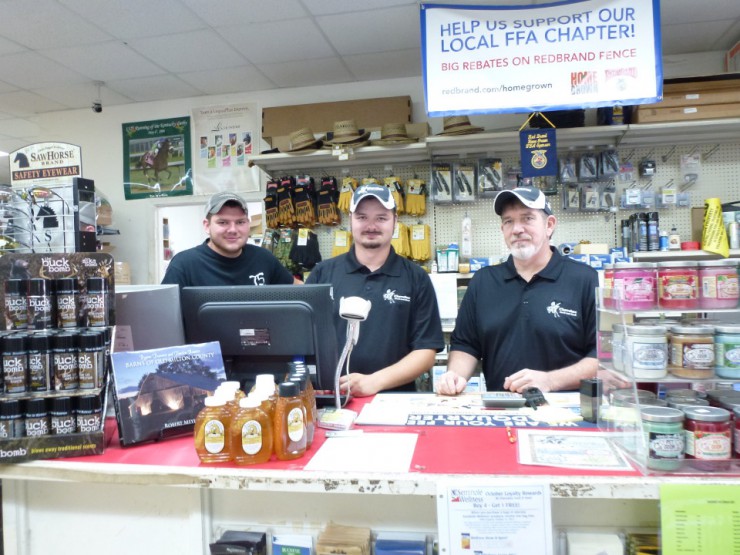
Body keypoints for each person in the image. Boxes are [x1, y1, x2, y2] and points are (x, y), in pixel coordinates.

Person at [436, 186, 598, 395]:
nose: (517, 229)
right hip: (501, 410)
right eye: (508, 221)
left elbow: (603, 358)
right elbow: (466, 344)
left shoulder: (585, 280)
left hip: (566, 414)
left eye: (527, 218)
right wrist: (455, 376)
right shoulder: (484, 281)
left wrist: (549, 380)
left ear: (549, 225)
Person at [306, 183, 444, 396]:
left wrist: (375, 382)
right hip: (331, 398)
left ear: (395, 221)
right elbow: (304, 341)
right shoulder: (322, 274)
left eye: (381, 218)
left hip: (395, 402)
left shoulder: (417, 278)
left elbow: (426, 352)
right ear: (350, 219)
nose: (371, 226)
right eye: (362, 217)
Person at [162, 191, 297, 287]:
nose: (233, 230)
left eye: (240, 222)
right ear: (207, 225)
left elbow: (301, 291)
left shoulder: (263, 258)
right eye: (223, 222)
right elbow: (164, 316)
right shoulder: (184, 265)